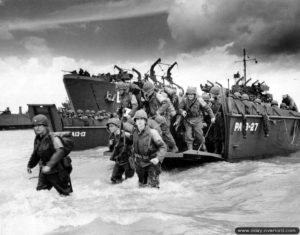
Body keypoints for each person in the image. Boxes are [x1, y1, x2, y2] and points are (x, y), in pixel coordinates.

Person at [27, 114, 73, 196]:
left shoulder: (53, 137)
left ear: (45, 126)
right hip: (44, 171)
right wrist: (30, 165)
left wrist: (49, 165)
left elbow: (60, 151)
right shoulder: (37, 138)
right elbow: (36, 153)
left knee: (65, 195)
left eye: (39, 125)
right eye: (35, 126)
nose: (37, 128)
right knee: (40, 194)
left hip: (58, 170)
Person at [131, 110, 167, 188]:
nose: (139, 121)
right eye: (137, 119)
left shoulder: (152, 133)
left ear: (145, 121)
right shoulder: (134, 133)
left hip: (151, 163)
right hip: (139, 163)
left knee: (153, 188)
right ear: (135, 121)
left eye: (141, 119)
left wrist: (158, 158)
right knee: (141, 186)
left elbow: (163, 147)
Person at [143, 81, 178, 152]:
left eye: (148, 91)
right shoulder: (149, 97)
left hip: (164, 117)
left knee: (166, 133)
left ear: (152, 90)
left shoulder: (157, 95)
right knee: (159, 133)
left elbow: (166, 103)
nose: (147, 93)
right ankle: (166, 148)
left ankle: (174, 147)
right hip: (155, 118)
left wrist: (158, 112)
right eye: (146, 92)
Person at [178, 86, 215, 151]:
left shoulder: (199, 100)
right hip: (188, 120)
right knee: (188, 135)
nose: (190, 96)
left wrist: (212, 117)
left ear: (194, 95)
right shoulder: (184, 100)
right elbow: (179, 108)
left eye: (192, 94)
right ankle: (190, 149)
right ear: (187, 94)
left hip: (197, 119)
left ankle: (203, 146)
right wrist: (182, 111)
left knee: (199, 135)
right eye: (189, 94)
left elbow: (208, 109)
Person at [107, 118, 134, 184]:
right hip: (118, 161)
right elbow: (112, 149)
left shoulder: (125, 135)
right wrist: (110, 145)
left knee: (129, 181)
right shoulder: (112, 136)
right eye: (109, 126)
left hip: (127, 161)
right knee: (114, 179)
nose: (110, 128)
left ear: (117, 126)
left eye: (112, 126)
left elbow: (134, 142)